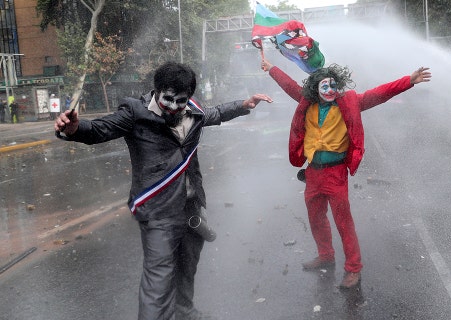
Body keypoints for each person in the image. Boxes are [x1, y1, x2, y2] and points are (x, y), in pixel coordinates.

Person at [54, 61, 272, 320]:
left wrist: (243, 105)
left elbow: (214, 113)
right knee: (158, 279)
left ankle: (184, 312)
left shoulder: (193, 111)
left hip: (191, 207)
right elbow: (100, 129)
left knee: (187, 267)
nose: (173, 107)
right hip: (158, 211)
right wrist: (75, 129)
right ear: (156, 91)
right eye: (167, 99)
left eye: (181, 100)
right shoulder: (134, 113)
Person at [261, 58, 431, 289]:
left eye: (333, 86)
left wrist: (409, 81)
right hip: (313, 173)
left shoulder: (349, 102)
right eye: (324, 86)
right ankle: (326, 255)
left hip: (336, 173)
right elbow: (289, 85)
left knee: (343, 222)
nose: (330, 90)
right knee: (316, 218)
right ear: (315, 88)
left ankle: (353, 268)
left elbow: (378, 94)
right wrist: (271, 68)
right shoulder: (306, 102)